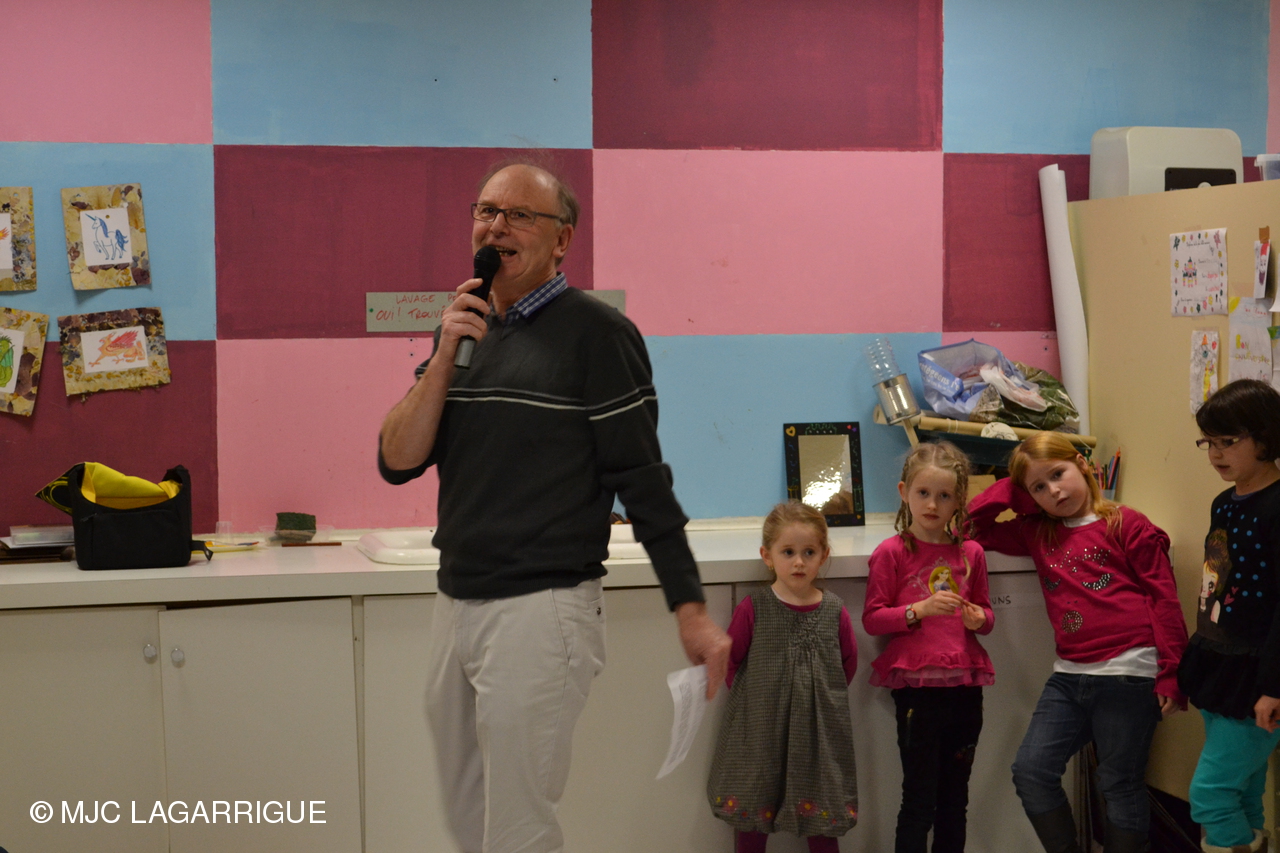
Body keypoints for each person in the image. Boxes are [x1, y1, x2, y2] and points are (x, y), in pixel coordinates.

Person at [377, 159, 731, 853]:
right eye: (486, 211)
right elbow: (397, 460)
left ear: (562, 239)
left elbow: (643, 479)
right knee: (465, 819)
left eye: (518, 215)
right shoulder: (466, 329)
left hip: (540, 608)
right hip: (455, 601)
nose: (495, 227)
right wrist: (445, 352)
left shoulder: (599, 335)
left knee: (518, 827)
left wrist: (689, 608)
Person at [968, 432, 1188, 853]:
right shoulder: (1036, 531)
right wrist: (1014, 488)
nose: (1053, 490)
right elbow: (969, 527)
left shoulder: (1126, 523)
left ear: (1083, 465)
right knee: (1031, 771)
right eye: (1039, 487)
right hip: (1070, 676)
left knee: (1118, 782)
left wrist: (1172, 672)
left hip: (1130, 671)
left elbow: (1163, 599)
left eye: (1058, 474)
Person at [863, 441, 994, 853]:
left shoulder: (971, 553)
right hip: (917, 693)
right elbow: (873, 618)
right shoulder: (892, 553)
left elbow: (987, 614)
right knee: (919, 800)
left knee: (955, 801)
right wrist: (918, 609)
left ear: (959, 500)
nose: (933, 504)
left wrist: (979, 619)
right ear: (904, 492)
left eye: (944, 495)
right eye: (923, 493)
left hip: (965, 688)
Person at [706, 501, 858, 853]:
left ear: (824, 555)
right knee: (752, 812)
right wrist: (756, 701)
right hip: (761, 732)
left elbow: (847, 665)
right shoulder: (754, 607)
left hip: (818, 735)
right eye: (788, 552)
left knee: (823, 813)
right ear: (768, 555)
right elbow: (730, 662)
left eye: (809, 552)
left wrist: (816, 699)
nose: (799, 562)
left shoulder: (834, 610)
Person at [1178, 379, 1280, 853]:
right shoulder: (1224, 503)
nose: (1216, 454)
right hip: (1219, 665)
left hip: (1259, 676)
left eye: (1228, 441)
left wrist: (1273, 686)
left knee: (1211, 794)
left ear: (1265, 437)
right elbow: (1214, 585)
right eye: (1209, 443)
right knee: (1243, 791)